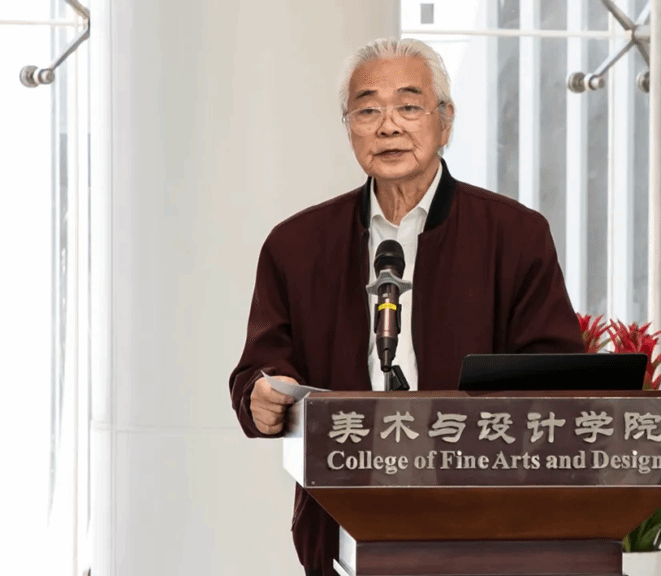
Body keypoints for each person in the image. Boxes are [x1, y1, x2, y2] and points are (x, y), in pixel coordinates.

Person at [229, 38, 586, 576]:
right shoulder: (296, 245)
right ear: (348, 127)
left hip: (483, 523)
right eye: (368, 110)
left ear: (446, 121)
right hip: (343, 521)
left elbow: (558, 375)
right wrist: (260, 394)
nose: (388, 126)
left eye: (409, 106)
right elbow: (259, 366)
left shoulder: (515, 235)